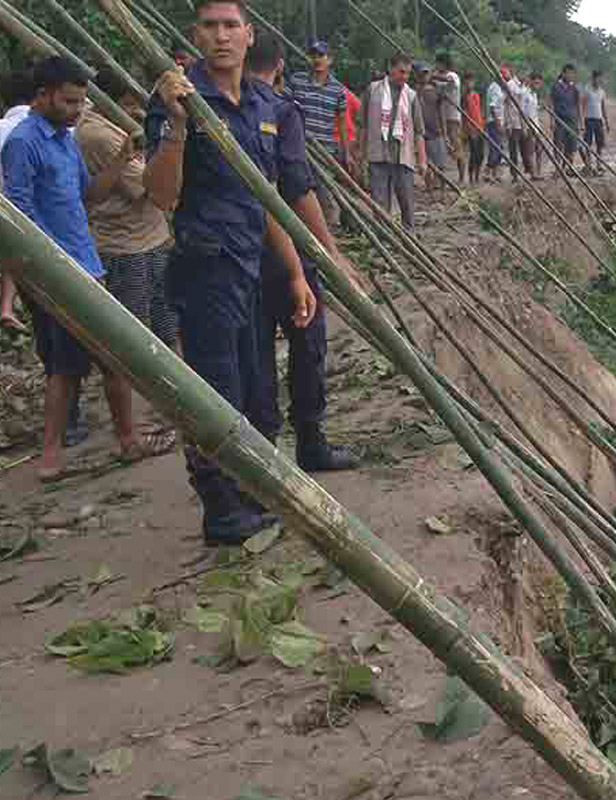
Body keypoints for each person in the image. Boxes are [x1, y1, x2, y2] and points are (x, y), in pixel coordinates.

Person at [145, 0, 316, 545]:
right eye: (209, 27)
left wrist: (295, 273)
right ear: (197, 34)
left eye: (230, 26)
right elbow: (161, 195)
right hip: (206, 266)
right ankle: (221, 510)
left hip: (252, 266)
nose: (220, 36)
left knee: (256, 391)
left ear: (249, 35)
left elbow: (265, 198)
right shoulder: (179, 98)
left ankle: (248, 493)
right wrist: (175, 127)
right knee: (216, 391)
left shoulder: (263, 104)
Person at [1, 57, 149, 482]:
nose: (76, 110)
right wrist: (50, 273)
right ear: (43, 95)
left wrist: (122, 160)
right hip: (58, 274)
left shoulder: (65, 138)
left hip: (88, 263)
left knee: (113, 358)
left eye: (82, 102)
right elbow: (21, 217)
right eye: (69, 101)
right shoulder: (24, 142)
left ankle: (127, 439)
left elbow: (88, 197)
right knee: (65, 369)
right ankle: (51, 455)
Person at [245, 37, 358, 472]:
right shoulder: (280, 109)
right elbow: (296, 186)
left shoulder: (214, 106)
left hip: (239, 253)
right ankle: (309, 442)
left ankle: (266, 452)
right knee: (307, 345)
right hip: (285, 251)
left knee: (254, 352)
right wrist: (331, 253)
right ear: (280, 66)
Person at [76, 68, 181, 455]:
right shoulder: (99, 134)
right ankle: (135, 433)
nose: (138, 109)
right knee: (131, 344)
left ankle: (172, 412)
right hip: (125, 249)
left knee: (168, 331)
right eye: (134, 102)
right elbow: (152, 189)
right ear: (119, 101)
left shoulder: (119, 127)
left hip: (151, 240)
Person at [360, 53, 425, 232]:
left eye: (407, 74)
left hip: (403, 158)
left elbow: (419, 132)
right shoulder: (373, 90)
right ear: (390, 68)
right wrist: (360, 154)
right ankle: (382, 242)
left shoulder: (411, 96)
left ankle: (409, 240)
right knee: (380, 206)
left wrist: (422, 160)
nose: (404, 77)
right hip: (378, 156)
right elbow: (364, 126)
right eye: (401, 72)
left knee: (407, 204)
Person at [290, 40, 349, 228]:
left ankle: (328, 230)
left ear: (329, 60)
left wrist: (345, 151)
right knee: (298, 188)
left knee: (325, 191)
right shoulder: (296, 81)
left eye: (321, 55)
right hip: (299, 146)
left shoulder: (337, 89)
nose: (316, 60)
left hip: (325, 149)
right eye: (313, 55)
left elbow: (341, 122)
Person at [0, 68, 34, 332]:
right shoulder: (38, 129)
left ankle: (7, 307)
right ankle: (8, 305)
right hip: (25, 209)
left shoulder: (2, 127)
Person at [433, 53, 464, 184]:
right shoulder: (437, 78)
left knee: (456, 145)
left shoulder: (452, 76)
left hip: (453, 117)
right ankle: (439, 179)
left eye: (439, 63)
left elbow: (449, 81)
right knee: (442, 146)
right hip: (442, 117)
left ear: (444, 64)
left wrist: (433, 76)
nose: (437, 66)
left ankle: (462, 177)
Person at [416, 63, 446, 196]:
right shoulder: (414, 92)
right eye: (422, 74)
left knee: (441, 164)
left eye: (426, 74)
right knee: (427, 164)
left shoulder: (435, 91)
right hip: (422, 133)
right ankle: (430, 191)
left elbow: (441, 112)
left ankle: (442, 191)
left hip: (436, 131)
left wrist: (444, 132)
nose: (424, 76)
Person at [551, 63, 582, 168]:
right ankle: (558, 169)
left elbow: (578, 106)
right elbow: (551, 104)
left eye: (572, 74)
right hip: (559, 121)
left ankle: (566, 167)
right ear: (563, 74)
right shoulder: (556, 87)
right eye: (568, 73)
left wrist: (580, 123)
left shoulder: (574, 88)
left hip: (572, 121)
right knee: (558, 145)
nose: (570, 76)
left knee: (571, 146)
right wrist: (552, 121)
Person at [502, 67, 527, 182]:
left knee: (524, 149)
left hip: (522, 122)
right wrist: (507, 123)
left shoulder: (523, 86)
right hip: (513, 123)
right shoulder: (511, 85)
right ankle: (515, 175)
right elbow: (504, 103)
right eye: (523, 73)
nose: (525, 76)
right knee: (513, 150)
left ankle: (525, 172)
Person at [582, 69, 609, 174]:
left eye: (600, 78)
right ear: (593, 78)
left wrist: (606, 122)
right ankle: (588, 164)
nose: (599, 80)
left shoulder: (602, 92)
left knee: (599, 143)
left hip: (599, 119)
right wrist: (581, 121)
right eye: (597, 78)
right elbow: (582, 105)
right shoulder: (587, 89)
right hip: (588, 119)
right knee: (588, 143)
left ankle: (599, 164)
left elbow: (603, 107)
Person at [461, 71, 484, 185]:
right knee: (474, 154)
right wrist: (468, 131)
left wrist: (482, 127)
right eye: (468, 81)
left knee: (481, 154)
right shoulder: (464, 97)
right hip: (471, 129)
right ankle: (471, 178)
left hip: (480, 127)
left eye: (472, 81)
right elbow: (464, 115)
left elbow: (479, 111)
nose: (470, 83)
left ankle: (477, 176)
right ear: (464, 83)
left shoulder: (476, 95)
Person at [484, 70, 505, 183]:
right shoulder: (495, 88)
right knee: (495, 147)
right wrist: (498, 123)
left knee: (498, 147)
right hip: (494, 122)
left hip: (496, 121)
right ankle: (488, 172)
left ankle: (495, 173)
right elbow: (492, 107)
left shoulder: (496, 87)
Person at [523, 72, 545, 179]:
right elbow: (522, 111)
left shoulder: (535, 95)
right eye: (535, 82)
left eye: (539, 83)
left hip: (536, 125)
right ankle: (533, 174)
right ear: (531, 81)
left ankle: (538, 172)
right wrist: (524, 127)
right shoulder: (525, 93)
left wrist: (541, 107)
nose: (537, 84)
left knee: (539, 149)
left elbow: (534, 110)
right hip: (528, 126)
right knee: (530, 150)